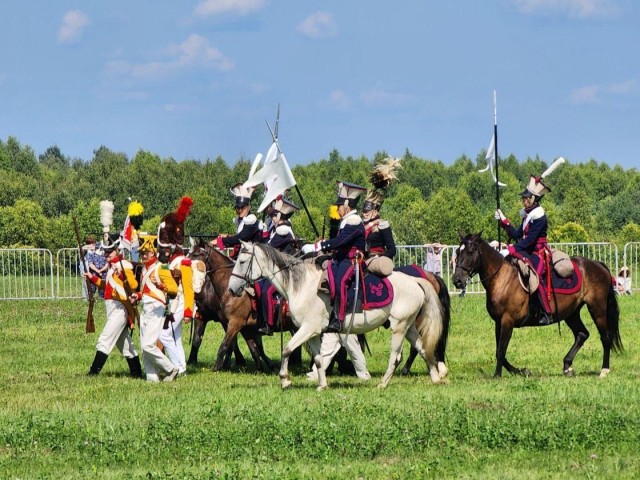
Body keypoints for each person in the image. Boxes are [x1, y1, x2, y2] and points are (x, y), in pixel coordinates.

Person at [307, 181, 367, 332]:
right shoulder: (346, 221)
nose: (338, 209)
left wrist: (319, 246)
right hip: (341, 259)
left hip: (352, 261)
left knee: (340, 282)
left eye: (339, 206)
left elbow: (341, 241)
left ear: (347, 205)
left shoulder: (354, 221)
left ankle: (339, 319)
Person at [495, 174, 553, 324]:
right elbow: (517, 234)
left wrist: (512, 249)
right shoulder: (527, 216)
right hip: (528, 249)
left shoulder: (540, 216)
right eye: (524, 198)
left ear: (534, 199)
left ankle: (546, 313)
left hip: (538, 252)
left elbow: (530, 240)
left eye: (526, 198)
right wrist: (504, 220)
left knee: (535, 277)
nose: (524, 200)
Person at [83, 236, 142, 378]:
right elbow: (107, 286)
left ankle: (93, 372)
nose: (106, 254)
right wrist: (92, 278)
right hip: (113, 308)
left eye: (110, 251)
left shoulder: (124, 265)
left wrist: (122, 275)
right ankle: (137, 372)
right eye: (105, 251)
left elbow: (133, 285)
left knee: (105, 339)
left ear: (117, 250)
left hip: (120, 308)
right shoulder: (111, 267)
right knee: (125, 345)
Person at [130, 237, 179, 382]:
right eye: (142, 253)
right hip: (146, 308)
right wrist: (137, 295)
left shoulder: (161, 268)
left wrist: (161, 286)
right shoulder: (144, 268)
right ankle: (152, 379)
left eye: (146, 252)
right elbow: (146, 291)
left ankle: (170, 368)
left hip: (156, 308)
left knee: (148, 345)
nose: (143, 255)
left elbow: (174, 290)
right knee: (145, 349)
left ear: (153, 253)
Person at [156, 196, 195, 376]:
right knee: (176, 337)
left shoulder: (183, 262)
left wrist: (188, 311)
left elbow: (188, 287)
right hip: (174, 302)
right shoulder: (171, 262)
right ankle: (183, 368)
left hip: (180, 303)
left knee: (164, 335)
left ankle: (176, 368)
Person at [256, 197, 299, 336]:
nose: (272, 218)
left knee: (266, 292)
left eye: (274, 215)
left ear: (280, 216)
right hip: (276, 269)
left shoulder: (283, 231)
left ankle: (269, 324)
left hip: (284, 271)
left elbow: (268, 248)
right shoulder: (277, 229)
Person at [212, 183, 265, 259]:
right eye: (238, 207)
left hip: (253, 257)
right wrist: (228, 236)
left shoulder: (251, 220)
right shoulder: (241, 220)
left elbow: (241, 238)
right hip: (245, 255)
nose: (240, 210)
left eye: (242, 207)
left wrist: (220, 241)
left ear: (248, 207)